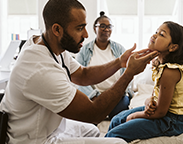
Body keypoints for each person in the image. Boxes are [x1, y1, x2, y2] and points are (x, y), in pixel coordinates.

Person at [0, 0, 159, 143]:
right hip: (34, 140)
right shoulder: (39, 68)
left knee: (93, 130)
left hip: (52, 126)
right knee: (118, 142)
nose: (86, 34)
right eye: (79, 28)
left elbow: (83, 74)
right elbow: (94, 112)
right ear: (57, 29)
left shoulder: (50, 46)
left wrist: (119, 62)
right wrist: (129, 73)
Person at [105, 21, 183, 142]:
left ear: (173, 47)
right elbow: (156, 95)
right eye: (156, 32)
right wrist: (149, 101)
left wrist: (135, 115)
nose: (154, 35)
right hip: (164, 114)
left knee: (114, 134)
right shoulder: (161, 66)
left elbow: (161, 112)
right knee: (116, 120)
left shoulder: (170, 71)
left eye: (162, 34)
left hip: (171, 122)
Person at [76, 11, 132, 120]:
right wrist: (93, 95)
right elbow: (78, 78)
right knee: (90, 118)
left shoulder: (119, 49)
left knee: (119, 116)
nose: (106, 29)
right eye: (102, 26)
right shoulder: (84, 51)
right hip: (94, 96)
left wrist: (121, 91)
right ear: (94, 28)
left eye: (109, 27)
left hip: (117, 95)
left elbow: (128, 73)